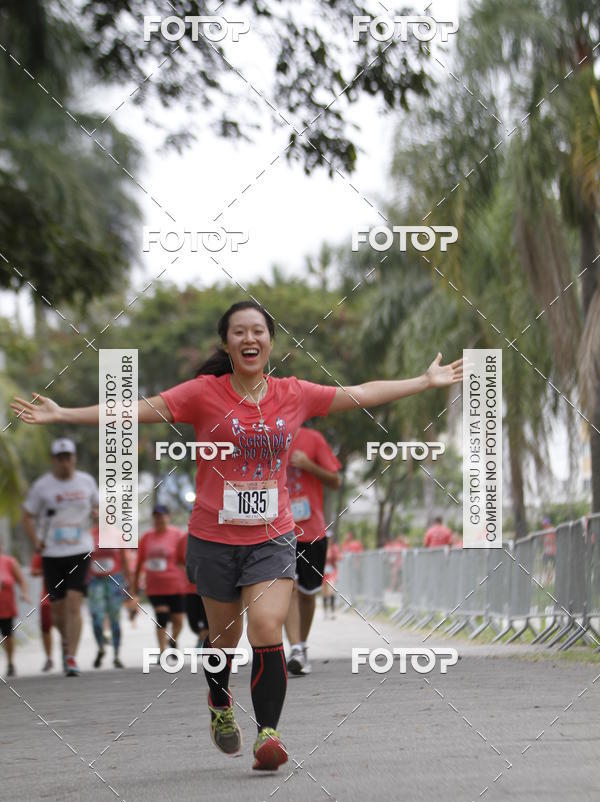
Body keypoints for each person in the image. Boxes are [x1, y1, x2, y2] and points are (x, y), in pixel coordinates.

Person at [12, 298, 462, 770]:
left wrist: (423, 382)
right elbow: (136, 410)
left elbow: (360, 392)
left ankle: (269, 733)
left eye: (258, 331)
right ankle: (220, 703)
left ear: (271, 341)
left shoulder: (293, 393)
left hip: (272, 538)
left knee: (266, 627)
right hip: (213, 539)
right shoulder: (203, 393)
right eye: (239, 332)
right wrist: (63, 414)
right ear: (226, 344)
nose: (250, 338)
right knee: (223, 639)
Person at [21, 438, 98, 676]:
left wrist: (96, 515)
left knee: (75, 603)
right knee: (57, 609)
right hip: (52, 552)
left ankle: (72, 657)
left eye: (68, 457)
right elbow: (27, 515)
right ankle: (66, 642)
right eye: (60, 458)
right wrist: (37, 542)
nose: (65, 462)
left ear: (74, 458)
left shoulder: (86, 481)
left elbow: (98, 507)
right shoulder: (42, 486)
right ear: (54, 460)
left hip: (79, 550)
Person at [285, 426, 341, 675]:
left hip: (311, 530)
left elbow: (335, 481)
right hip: (277, 530)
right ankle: (295, 648)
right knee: (289, 589)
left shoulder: (313, 438)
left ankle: (302, 645)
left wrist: (309, 465)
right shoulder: (265, 437)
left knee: (308, 593)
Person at [134, 506, 185, 653]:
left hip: (176, 585)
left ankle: (173, 639)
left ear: (168, 517)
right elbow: (139, 563)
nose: (159, 519)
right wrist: (135, 586)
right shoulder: (146, 537)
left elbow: (185, 558)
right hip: (155, 586)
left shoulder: (177, 535)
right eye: (156, 516)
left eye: (162, 516)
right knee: (161, 616)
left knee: (178, 621)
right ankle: (162, 651)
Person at [88, 526, 131, 669]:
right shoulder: (89, 534)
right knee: (96, 617)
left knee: (115, 618)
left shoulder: (118, 534)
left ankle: (117, 655)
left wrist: (129, 584)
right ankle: (101, 647)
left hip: (114, 579)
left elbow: (125, 559)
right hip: (95, 581)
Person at [0, 542, 31, 677]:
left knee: (7, 635)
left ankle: (10, 663)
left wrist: (24, 593)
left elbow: (22, 581)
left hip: (5, 606)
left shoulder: (9, 562)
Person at [177, 532, 209, 648]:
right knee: (193, 622)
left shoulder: (211, 536)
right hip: (190, 588)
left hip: (209, 588)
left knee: (208, 621)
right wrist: (190, 570)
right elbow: (178, 561)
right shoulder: (184, 539)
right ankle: (202, 637)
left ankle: (206, 643)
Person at [31, 552, 54, 672]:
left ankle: (68, 656)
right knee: (45, 627)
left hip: (64, 596)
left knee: (65, 626)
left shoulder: (70, 550)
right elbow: (33, 571)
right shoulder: (43, 550)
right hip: (47, 596)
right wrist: (47, 570)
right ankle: (49, 658)